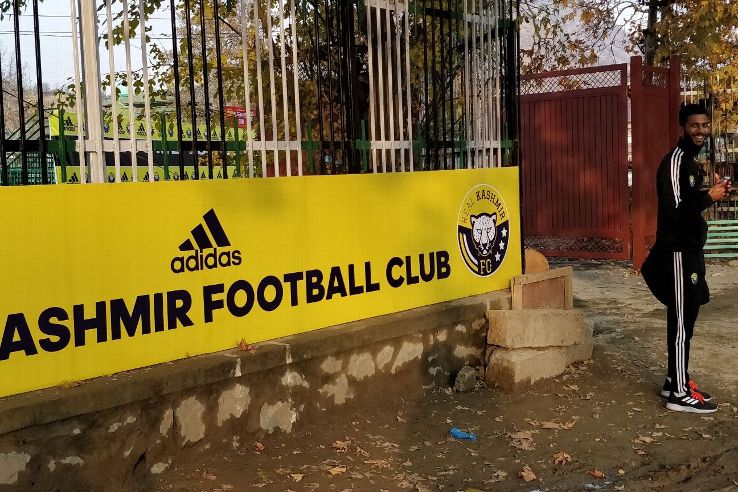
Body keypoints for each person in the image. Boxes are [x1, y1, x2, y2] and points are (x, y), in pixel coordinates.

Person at [641, 103, 732, 414]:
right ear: (683, 127)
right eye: (695, 126)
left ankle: (673, 380)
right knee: (681, 323)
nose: (701, 131)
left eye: (705, 125)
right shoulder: (675, 162)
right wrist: (710, 197)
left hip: (691, 252)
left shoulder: (691, 164)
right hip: (676, 254)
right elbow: (675, 212)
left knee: (689, 316)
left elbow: (690, 201)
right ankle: (678, 394)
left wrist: (712, 191)